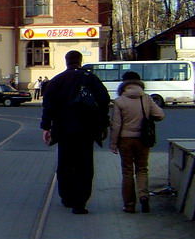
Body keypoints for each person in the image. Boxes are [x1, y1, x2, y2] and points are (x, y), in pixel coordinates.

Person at [40, 50, 111, 214]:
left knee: (65, 163)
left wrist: (46, 127)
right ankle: (80, 203)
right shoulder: (90, 78)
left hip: (63, 130)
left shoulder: (57, 80)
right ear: (80, 61)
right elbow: (103, 102)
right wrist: (103, 126)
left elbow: (48, 105)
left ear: (66, 62)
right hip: (86, 130)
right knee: (84, 165)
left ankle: (66, 196)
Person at [109, 71, 164, 213]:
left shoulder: (120, 100)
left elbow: (116, 125)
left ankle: (129, 205)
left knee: (127, 172)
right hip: (143, 139)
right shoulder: (146, 99)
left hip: (125, 140)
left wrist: (113, 144)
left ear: (124, 83)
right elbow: (160, 115)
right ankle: (144, 196)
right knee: (142, 169)